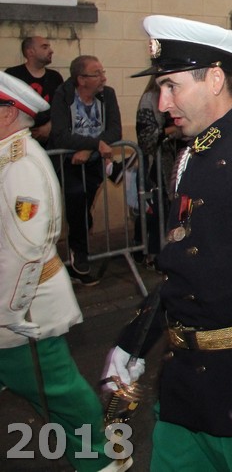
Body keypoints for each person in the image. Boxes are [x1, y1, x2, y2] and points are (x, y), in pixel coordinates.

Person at [103, 15, 232, 471]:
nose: (163, 103)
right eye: (160, 88)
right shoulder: (195, 152)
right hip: (182, 389)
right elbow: (183, 266)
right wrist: (133, 341)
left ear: (215, 79)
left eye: (171, 86)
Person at [0, 73, 130, 472]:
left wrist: (8, 310)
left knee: (58, 391)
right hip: (16, 302)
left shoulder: (20, 163)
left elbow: (26, 250)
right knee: (49, 391)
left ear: (7, 114)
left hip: (25, 306)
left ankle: (104, 457)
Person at [49, 55, 123, 285]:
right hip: (69, 161)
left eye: (102, 72)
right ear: (81, 79)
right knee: (75, 196)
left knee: (83, 205)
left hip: (92, 161)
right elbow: (60, 135)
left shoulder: (107, 94)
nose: (103, 78)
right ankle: (79, 257)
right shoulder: (63, 96)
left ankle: (81, 234)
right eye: (97, 73)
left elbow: (115, 131)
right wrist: (95, 144)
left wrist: (90, 149)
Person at [135, 75, 186, 263]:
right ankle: (153, 253)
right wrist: (173, 130)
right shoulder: (150, 99)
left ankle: (173, 250)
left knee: (175, 208)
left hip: (178, 160)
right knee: (156, 209)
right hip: (158, 164)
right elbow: (146, 138)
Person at [5, 35, 63, 144]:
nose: (51, 51)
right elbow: (6, 107)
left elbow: (62, 107)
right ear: (30, 52)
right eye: (44, 47)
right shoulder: (13, 75)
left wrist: (50, 126)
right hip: (19, 138)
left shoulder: (55, 77)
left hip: (51, 140)